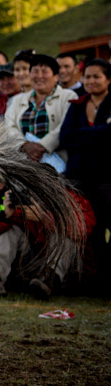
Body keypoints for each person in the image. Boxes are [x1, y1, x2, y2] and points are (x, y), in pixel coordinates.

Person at [0, 187, 95, 300]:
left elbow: (83, 230)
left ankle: (48, 279)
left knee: (65, 238)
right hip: (34, 268)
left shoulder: (72, 199)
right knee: (12, 231)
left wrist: (45, 218)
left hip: (69, 270)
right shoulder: (28, 199)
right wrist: (6, 217)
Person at [59, 58, 111, 292]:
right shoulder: (77, 104)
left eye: (96, 76)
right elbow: (65, 137)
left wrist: (84, 136)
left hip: (107, 177)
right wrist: (98, 135)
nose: (90, 81)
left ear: (108, 79)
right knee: (90, 229)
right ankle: (95, 280)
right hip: (79, 177)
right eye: (87, 76)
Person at [4, 53, 76, 166]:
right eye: (35, 71)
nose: (39, 76)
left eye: (45, 71)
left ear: (56, 76)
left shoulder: (68, 96)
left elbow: (65, 126)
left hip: (59, 164)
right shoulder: (17, 100)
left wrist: (42, 146)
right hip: (25, 163)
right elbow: (9, 126)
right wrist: (24, 145)